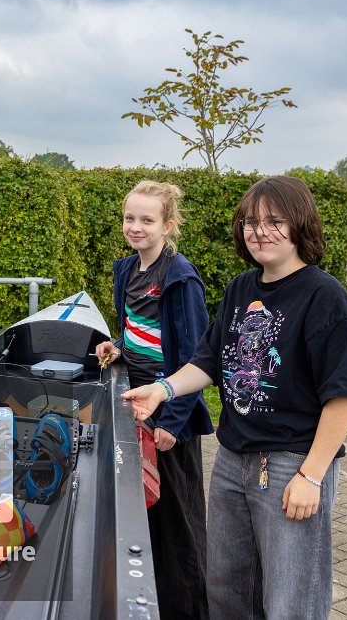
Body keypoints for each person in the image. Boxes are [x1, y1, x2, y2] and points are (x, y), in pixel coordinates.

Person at [124, 175, 347, 619]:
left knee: (290, 601)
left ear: (299, 224)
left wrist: (312, 476)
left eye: (274, 221)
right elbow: (208, 360)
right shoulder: (241, 287)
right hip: (232, 460)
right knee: (226, 590)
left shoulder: (326, 298)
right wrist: (161, 390)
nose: (260, 231)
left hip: (291, 465)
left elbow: (344, 396)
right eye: (251, 222)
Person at [93, 180, 212, 619]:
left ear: (168, 224)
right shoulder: (127, 269)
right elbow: (137, 327)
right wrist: (118, 346)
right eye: (130, 218)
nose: (136, 227)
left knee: (178, 525)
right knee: (145, 517)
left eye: (147, 219)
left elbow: (198, 356)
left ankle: (187, 609)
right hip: (134, 404)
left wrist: (173, 423)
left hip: (168, 416)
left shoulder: (180, 278)